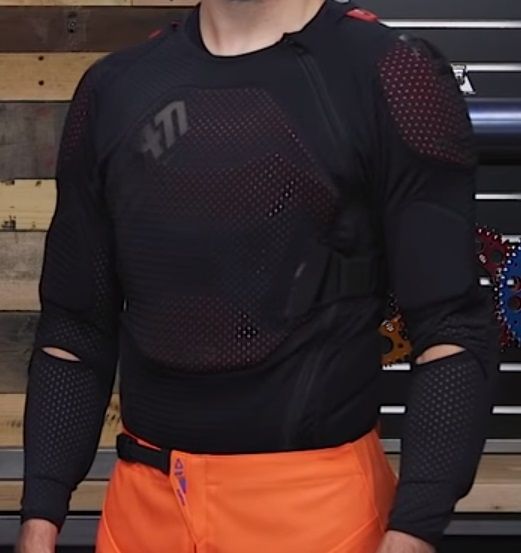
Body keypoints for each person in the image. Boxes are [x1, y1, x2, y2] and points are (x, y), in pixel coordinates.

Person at [16, 0, 499, 552]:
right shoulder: (116, 87)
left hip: (317, 516)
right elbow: (75, 329)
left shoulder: (387, 72)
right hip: (142, 512)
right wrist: (39, 517)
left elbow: (453, 326)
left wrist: (413, 529)